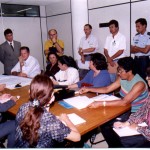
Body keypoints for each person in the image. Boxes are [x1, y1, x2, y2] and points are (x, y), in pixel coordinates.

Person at [79, 57, 149, 147]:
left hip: (136, 111)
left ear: (130, 71)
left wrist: (101, 103)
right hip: (123, 106)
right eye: (118, 70)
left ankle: (116, 146)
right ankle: (113, 146)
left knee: (108, 123)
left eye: (121, 71)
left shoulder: (139, 84)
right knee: (103, 122)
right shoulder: (122, 77)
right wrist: (88, 89)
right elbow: (107, 88)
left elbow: (124, 102)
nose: (118, 73)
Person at [15, 74, 81, 148]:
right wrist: (66, 119)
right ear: (52, 97)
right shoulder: (49, 121)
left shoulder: (23, 107)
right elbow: (77, 137)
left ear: (30, 92)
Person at [113, 66, 150, 147]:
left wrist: (138, 128)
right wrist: (127, 122)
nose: (147, 78)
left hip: (147, 133)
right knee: (115, 132)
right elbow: (143, 110)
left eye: (149, 76)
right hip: (145, 126)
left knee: (124, 142)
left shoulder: (140, 83)